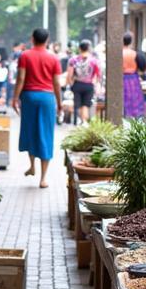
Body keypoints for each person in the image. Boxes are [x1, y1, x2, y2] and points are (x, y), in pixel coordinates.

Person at [12, 27, 63, 188]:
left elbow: (20, 78)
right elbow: (56, 83)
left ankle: (32, 166)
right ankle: (43, 178)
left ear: (32, 39)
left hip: (29, 97)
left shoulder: (25, 55)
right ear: (47, 40)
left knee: (30, 131)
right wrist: (60, 103)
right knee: (46, 134)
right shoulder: (53, 58)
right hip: (47, 98)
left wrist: (14, 98)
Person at [66, 39, 102, 125]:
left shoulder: (73, 60)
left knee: (77, 104)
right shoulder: (94, 61)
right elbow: (98, 75)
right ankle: (84, 122)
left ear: (79, 48)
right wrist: (96, 85)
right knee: (86, 104)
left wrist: (71, 84)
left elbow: (69, 75)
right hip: (89, 85)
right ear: (89, 48)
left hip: (77, 84)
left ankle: (79, 121)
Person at [122, 32, 146, 118]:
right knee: (135, 99)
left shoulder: (119, 54)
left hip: (121, 78)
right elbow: (142, 67)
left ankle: (124, 115)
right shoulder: (135, 54)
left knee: (123, 98)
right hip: (133, 78)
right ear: (131, 42)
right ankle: (136, 116)